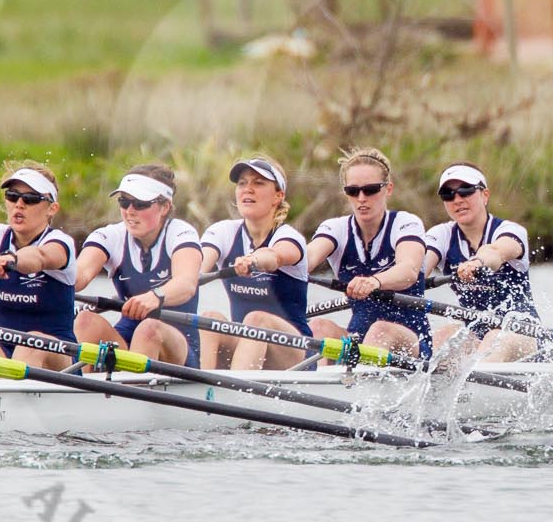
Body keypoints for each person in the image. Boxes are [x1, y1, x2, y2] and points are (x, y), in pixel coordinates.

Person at [306, 148, 431, 359]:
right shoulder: (335, 228)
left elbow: (408, 270)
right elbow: (306, 259)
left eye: (370, 190)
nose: (361, 198)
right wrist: (273, 260)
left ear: (388, 189)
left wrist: (375, 281)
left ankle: (354, 387)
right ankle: (319, 383)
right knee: (318, 327)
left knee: (380, 330)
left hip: (411, 342)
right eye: (353, 191)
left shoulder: (406, 223)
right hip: (358, 337)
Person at [74, 163, 203, 366]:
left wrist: (156, 296)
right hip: (127, 333)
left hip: (177, 342)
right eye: (124, 202)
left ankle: (131, 389)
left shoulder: (180, 233)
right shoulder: (110, 235)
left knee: (149, 329)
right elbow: (79, 275)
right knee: (84, 320)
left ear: (164, 207)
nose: (129, 211)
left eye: (140, 204)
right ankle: (91, 392)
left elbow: (186, 284)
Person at [198, 155, 310, 370]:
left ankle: (234, 396)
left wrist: (254, 260)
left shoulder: (289, 236)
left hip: (295, 351)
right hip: (246, 345)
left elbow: (275, 256)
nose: (248, 189)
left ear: (278, 196)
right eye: (242, 183)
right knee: (209, 319)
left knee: (257, 320)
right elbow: (199, 265)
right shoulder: (223, 232)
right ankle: (202, 393)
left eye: (258, 183)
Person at [422, 162, 541, 363]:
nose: (457, 199)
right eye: (448, 195)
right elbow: (416, 270)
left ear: (485, 195)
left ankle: (479, 389)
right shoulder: (440, 235)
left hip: (521, 331)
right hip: (475, 332)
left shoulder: (510, 230)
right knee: (441, 338)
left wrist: (477, 262)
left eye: (466, 191)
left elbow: (496, 252)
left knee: (495, 339)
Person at [0, 162, 77, 370]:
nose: (19, 204)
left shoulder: (60, 242)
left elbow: (40, 256)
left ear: (52, 208)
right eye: (12, 196)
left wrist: (12, 259)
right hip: (4, 351)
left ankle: (6, 398)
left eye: (31, 199)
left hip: (60, 357)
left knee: (30, 343)